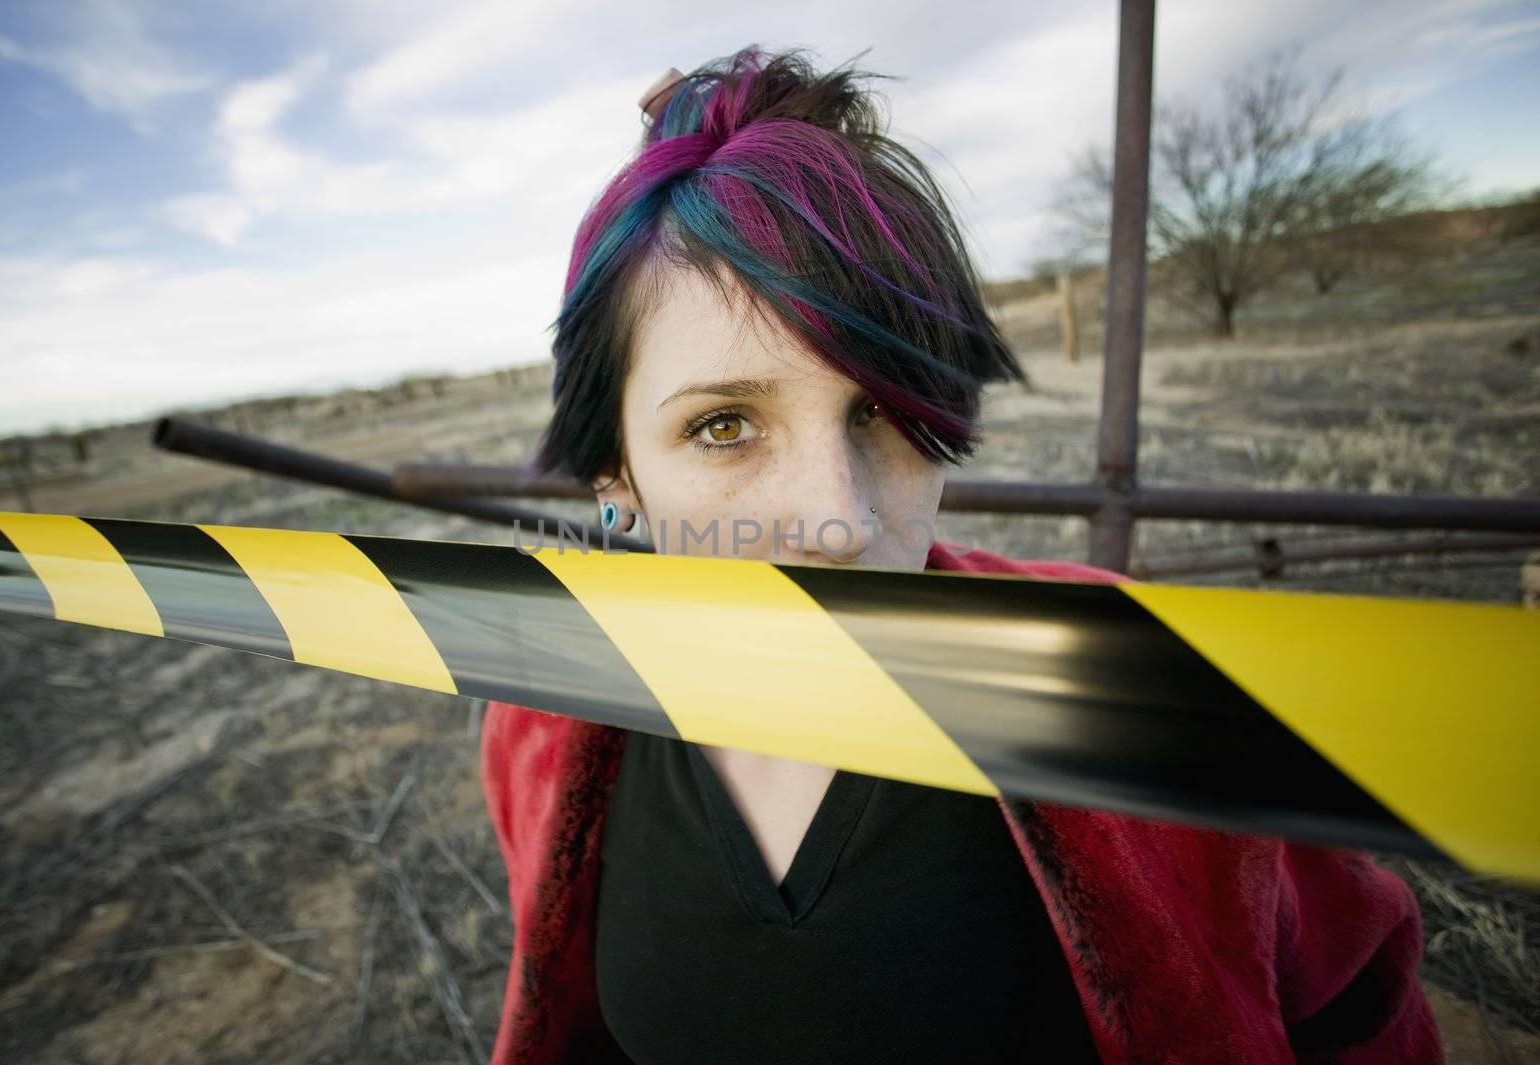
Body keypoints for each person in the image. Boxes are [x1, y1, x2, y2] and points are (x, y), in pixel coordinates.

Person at [479, 45, 1443, 1063]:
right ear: (616, 482)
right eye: (724, 426)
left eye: (881, 410)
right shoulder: (547, 721)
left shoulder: (1139, 685)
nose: (839, 521)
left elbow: (1358, 1010)